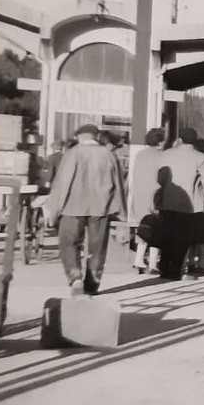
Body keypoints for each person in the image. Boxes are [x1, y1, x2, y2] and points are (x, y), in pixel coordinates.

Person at [45, 123, 126, 296]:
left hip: (72, 206)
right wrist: (122, 212)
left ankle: (75, 277)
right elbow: (118, 183)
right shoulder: (108, 154)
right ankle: (92, 283)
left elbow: (63, 183)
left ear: (79, 137)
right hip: (101, 206)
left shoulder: (73, 153)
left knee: (68, 242)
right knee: (97, 247)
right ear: (96, 137)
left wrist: (54, 210)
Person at [155, 127, 204, 279]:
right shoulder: (200, 157)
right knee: (182, 239)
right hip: (189, 206)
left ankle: (163, 267)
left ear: (179, 139)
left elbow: (160, 177)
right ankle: (176, 270)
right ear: (194, 141)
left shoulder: (166, 154)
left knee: (167, 236)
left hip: (167, 202)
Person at [128, 127, 167, 273]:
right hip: (156, 195)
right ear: (160, 141)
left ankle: (138, 260)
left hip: (139, 195)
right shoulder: (162, 156)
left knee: (143, 227)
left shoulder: (140, 155)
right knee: (157, 228)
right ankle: (152, 263)